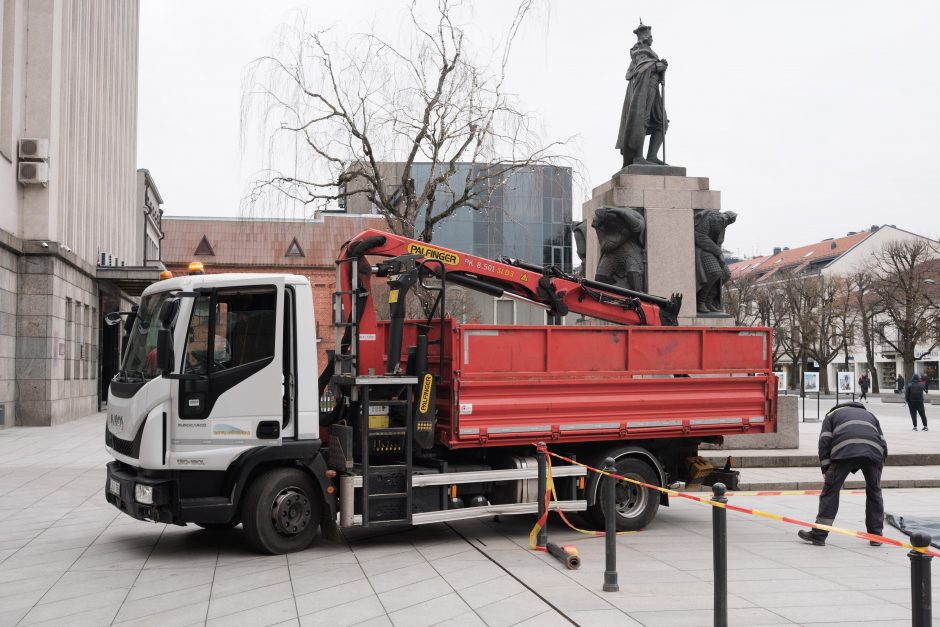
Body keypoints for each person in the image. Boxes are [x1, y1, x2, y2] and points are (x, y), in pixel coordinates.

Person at [798, 402, 887, 547]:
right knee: (874, 491)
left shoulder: (831, 415)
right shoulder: (870, 415)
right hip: (873, 453)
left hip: (844, 452)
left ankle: (819, 535)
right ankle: (876, 536)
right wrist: (879, 466)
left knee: (831, 491)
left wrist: (826, 469)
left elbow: (825, 441)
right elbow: (882, 442)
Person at [615, 22, 669, 168]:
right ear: (645, 37)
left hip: (652, 88)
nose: (652, 39)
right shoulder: (639, 50)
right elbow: (641, 68)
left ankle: (652, 156)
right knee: (641, 119)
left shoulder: (648, 51)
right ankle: (638, 157)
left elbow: (648, 65)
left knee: (662, 121)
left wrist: (659, 67)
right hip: (643, 89)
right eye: (651, 36)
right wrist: (656, 66)